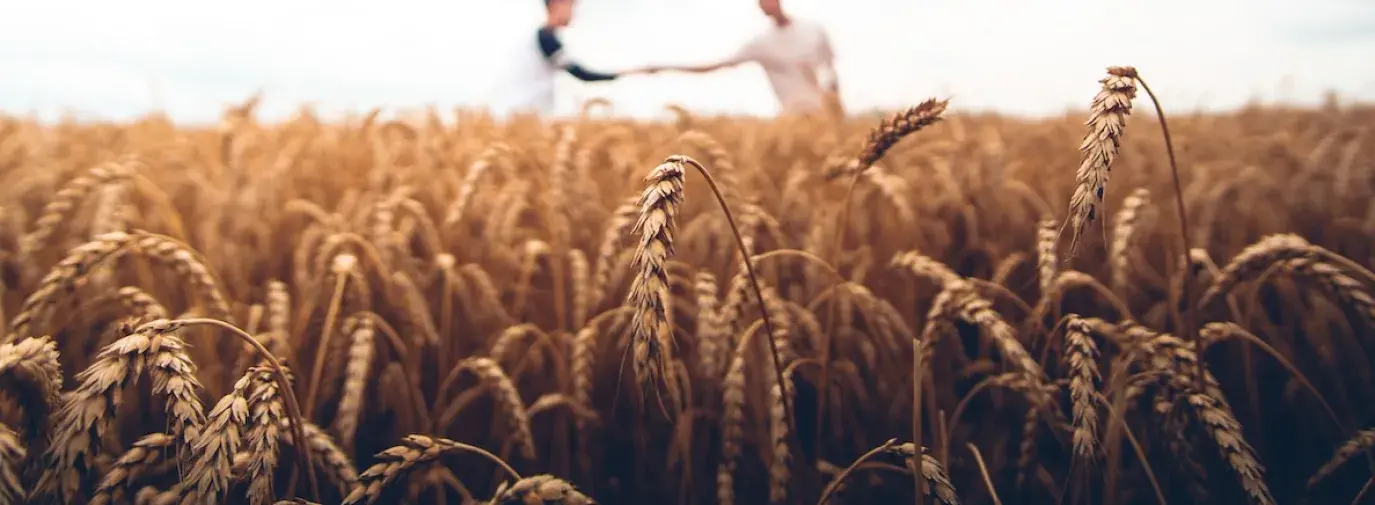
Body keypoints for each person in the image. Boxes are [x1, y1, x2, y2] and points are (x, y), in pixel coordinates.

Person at [646, 0, 842, 115]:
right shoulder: (761, 43)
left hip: (825, 114)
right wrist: (662, 66)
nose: (767, 4)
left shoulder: (814, 30)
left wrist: (836, 105)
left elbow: (831, 69)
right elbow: (714, 65)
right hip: (792, 117)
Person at [504, 0, 655, 116]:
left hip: (525, 113)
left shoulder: (542, 39)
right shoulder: (546, 39)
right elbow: (582, 74)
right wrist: (633, 72)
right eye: (571, 6)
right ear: (557, 4)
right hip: (526, 113)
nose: (574, 12)